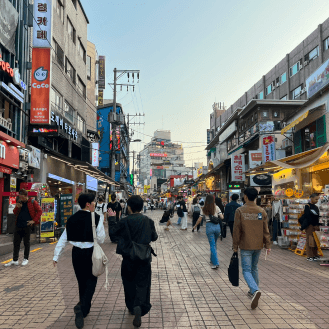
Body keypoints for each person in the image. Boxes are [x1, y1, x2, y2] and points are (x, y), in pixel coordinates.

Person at [53, 193, 105, 329]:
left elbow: (63, 239)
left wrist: (56, 256)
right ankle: (80, 307)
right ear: (88, 204)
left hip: (76, 254)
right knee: (92, 281)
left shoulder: (71, 219)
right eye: (93, 202)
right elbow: (101, 239)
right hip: (91, 253)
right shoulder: (97, 217)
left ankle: (84, 309)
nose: (94, 204)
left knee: (82, 281)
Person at [110, 195, 158, 328]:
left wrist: (112, 219)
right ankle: (139, 305)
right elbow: (154, 237)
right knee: (143, 284)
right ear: (141, 207)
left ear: (129, 207)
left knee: (128, 282)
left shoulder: (124, 221)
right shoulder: (148, 221)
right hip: (144, 259)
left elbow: (113, 234)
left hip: (128, 258)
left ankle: (132, 307)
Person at [233, 187, 271, 310]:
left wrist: (235, 246)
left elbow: (236, 230)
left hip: (245, 245)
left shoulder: (240, 210)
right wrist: (268, 245)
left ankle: (254, 290)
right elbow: (266, 230)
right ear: (256, 197)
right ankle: (253, 291)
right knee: (254, 268)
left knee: (246, 270)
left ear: (245, 196)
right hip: (258, 245)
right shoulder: (261, 211)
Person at [5, 189, 42, 267]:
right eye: (20, 197)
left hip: (27, 226)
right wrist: (17, 207)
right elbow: (15, 213)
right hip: (18, 225)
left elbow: (39, 211)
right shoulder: (19, 202)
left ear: (26, 196)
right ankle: (15, 260)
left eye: (22, 197)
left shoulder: (32, 202)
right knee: (16, 243)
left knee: (26, 243)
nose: (21, 198)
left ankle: (26, 259)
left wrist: (33, 221)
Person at [193, 195, 223, 269]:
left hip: (209, 227)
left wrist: (195, 226)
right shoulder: (216, 207)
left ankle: (216, 263)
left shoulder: (204, 208)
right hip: (217, 227)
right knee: (214, 244)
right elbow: (222, 217)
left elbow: (200, 219)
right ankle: (212, 259)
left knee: (212, 245)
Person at [302, 193, 320, 261]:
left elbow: (317, 217)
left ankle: (315, 254)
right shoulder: (307, 206)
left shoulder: (316, 207)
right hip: (309, 226)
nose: (317, 200)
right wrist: (312, 224)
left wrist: (317, 225)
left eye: (317, 199)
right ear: (311, 198)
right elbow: (307, 216)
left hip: (316, 226)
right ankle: (309, 255)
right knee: (310, 240)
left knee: (316, 241)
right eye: (316, 199)